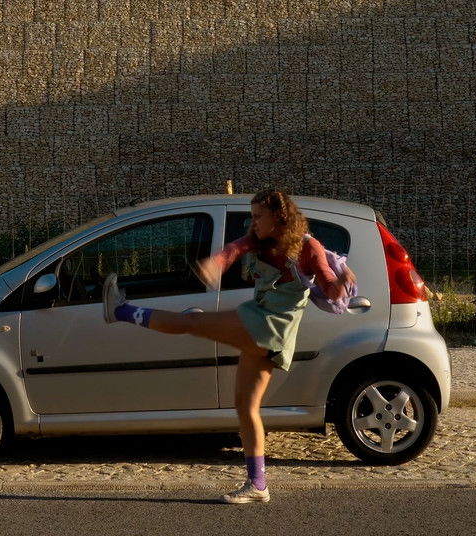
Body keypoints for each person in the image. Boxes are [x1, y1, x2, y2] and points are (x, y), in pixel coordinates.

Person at [102, 188, 357, 504]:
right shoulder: (259, 238)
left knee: (191, 323)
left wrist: (343, 278)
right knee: (245, 406)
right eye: (252, 216)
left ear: (279, 217)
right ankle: (258, 484)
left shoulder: (308, 248)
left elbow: (331, 290)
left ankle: (120, 310)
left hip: (270, 326)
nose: (254, 222)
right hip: (262, 323)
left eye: (258, 216)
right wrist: (216, 263)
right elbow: (235, 248)